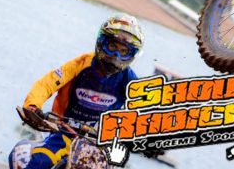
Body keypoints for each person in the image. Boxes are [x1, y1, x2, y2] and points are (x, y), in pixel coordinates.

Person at [9, 14, 144, 169]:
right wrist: (33, 106)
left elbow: (143, 107)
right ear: (102, 42)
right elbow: (47, 83)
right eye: (113, 46)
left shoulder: (130, 80)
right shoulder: (80, 64)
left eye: (124, 51)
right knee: (39, 162)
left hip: (99, 145)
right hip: (64, 133)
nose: (116, 55)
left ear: (132, 55)